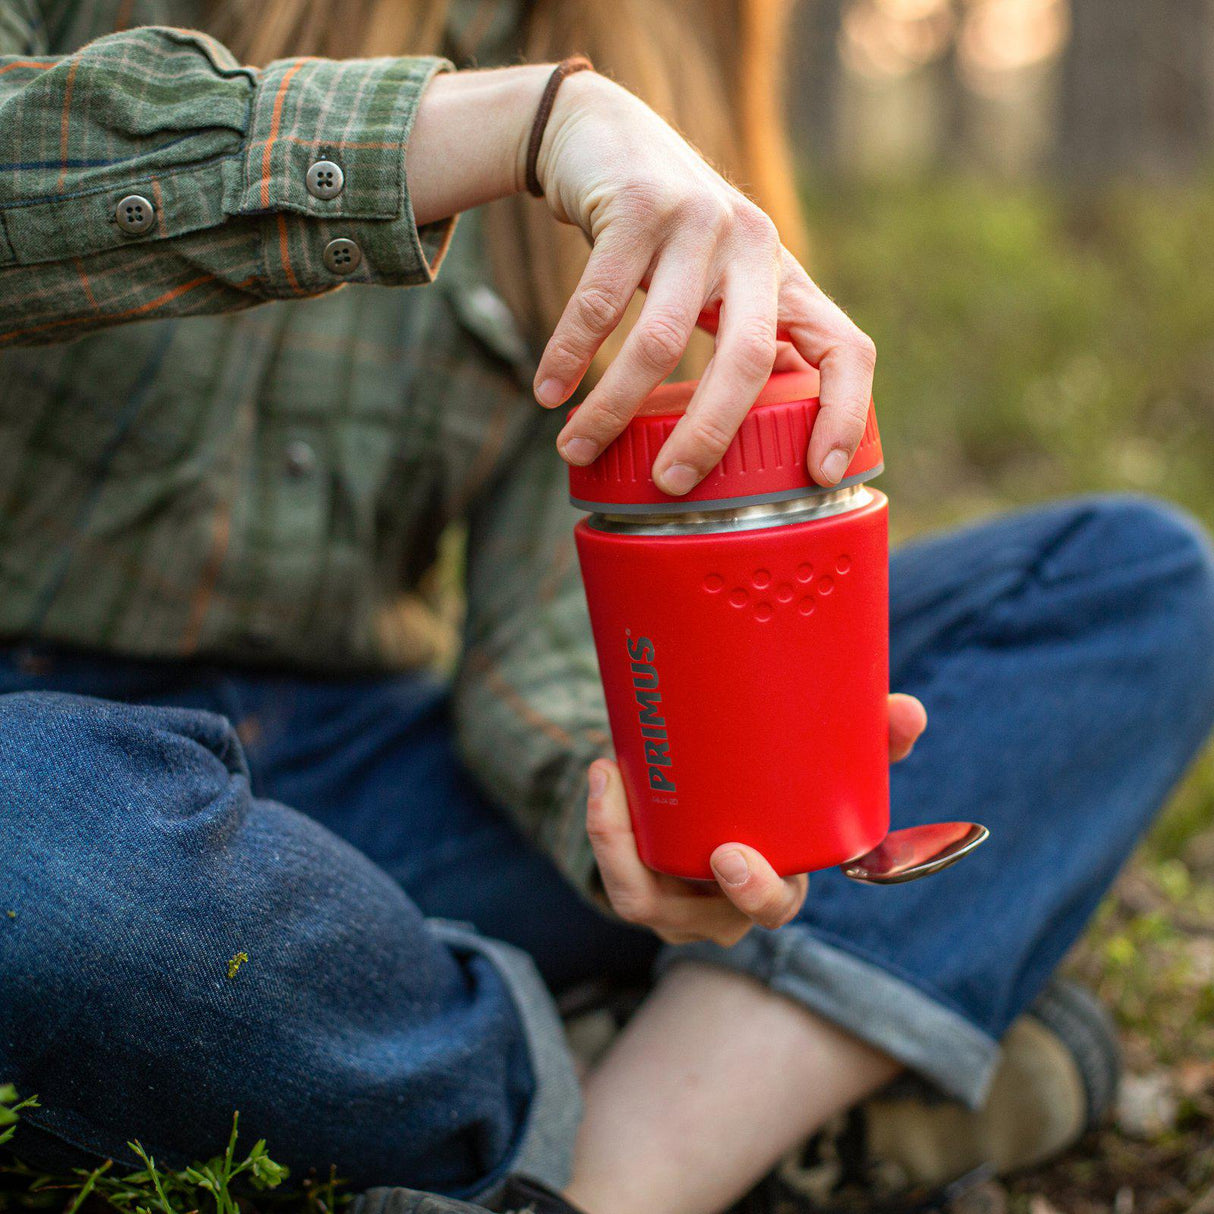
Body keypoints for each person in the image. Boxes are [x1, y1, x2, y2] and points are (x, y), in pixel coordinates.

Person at [1, 3, 1213, 1213]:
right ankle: (684, 1087)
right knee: (37, 840)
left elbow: (560, 612)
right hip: (53, 763)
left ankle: (596, 1162)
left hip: (353, 796)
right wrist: (518, 126)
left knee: (1129, 580)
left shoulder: (647, 64)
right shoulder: (571, 115)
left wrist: (634, 791)